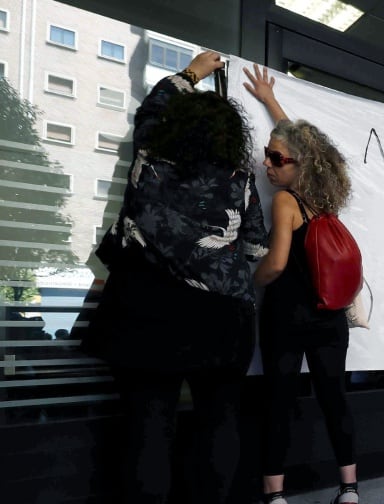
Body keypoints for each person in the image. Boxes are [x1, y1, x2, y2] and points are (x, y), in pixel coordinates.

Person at [81, 51, 268, 503]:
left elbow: (152, 108)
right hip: (223, 314)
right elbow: (255, 248)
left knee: (148, 423)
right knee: (219, 418)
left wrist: (192, 73)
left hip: (149, 304)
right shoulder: (239, 178)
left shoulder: (151, 152)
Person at [242, 64, 360, 504]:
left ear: (297, 167)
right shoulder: (324, 202)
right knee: (335, 400)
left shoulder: (286, 201)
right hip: (331, 319)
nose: (268, 164)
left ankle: (275, 496)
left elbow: (274, 265)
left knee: (277, 403)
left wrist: (248, 282)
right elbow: (299, 143)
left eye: (276, 159)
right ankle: (349, 489)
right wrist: (272, 102)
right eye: (266, 155)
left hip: (286, 319)